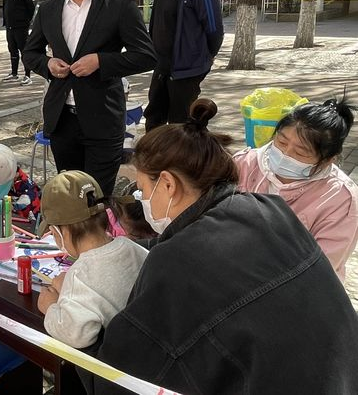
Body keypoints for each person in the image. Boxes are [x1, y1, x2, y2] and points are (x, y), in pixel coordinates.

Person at [84, 99, 358, 395]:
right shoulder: (268, 207)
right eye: (282, 142)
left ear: (168, 184)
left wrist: (75, 333)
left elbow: (131, 368)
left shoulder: (179, 259)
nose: (142, 199)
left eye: (142, 190)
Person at [23, 0, 156, 195]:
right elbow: (30, 53)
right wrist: (48, 65)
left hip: (102, 118)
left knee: (97, 197)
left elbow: (146, 55)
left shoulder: (119, 5)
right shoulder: (48, 9)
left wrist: (101, 61)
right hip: (62, 119)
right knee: (71, 197)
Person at [234, 97, 358, 281]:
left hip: (289, 286)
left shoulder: (340, 199)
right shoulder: (245, 163)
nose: (285, 154)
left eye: (300, 152)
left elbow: (322, 269)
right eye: (281, 142)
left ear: (328, 160)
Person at [36, 171, 148, 349]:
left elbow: (76, 335)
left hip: (115, 356)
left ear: (62, 232)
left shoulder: (79, 276)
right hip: (144, 343)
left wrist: (50, 306)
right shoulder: (133, 248)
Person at [143, 0, 224, 132]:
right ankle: (154, 152)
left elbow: (214, 30)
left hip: (186, 69)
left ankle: (186, 154)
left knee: (181, 124)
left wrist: (203, 57)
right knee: (154, 116)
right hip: (162, 65)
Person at [1, 0, 36, 86]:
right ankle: (14, 73)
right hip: (9, 26)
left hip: (21, 26)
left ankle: (27, 75)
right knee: (12, 49)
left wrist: (26, 21)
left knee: (24, 50)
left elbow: (30, 7)